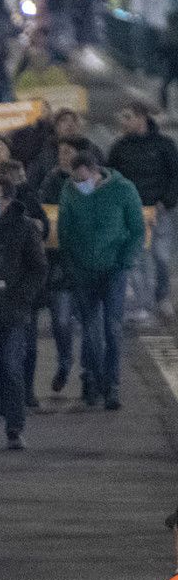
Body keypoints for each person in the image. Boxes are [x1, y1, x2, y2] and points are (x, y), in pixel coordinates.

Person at [59, 152, 145, 409]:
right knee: (90, 328)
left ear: (95, 172)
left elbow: (137, 228)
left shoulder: (123, 190)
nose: (78, 184)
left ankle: (113, 385)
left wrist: (124, 261)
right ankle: (95, 380)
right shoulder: (70, 190)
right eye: (75, 180)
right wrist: (72, 263)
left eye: (82, 179)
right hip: (84, 270)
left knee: (112, 327)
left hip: (114, 270)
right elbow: (65, 228)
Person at [0, 174, 47, 450]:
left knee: (11, 370)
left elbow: (38, 268)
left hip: (13, 314)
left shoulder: (24, 228)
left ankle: (14, 427)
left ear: (7, 200)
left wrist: (22, 296)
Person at [106, 102, 178, 320]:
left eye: (128, 117)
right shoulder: (119, 147)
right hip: (133, 212)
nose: (123, 122)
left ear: (142, 117)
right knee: (138, 258)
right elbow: (112, 178)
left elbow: (175, 176)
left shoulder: (165, 145)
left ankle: (162, 294)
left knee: (161, 256)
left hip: (160, 211)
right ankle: (144, 304)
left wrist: (166, 202)